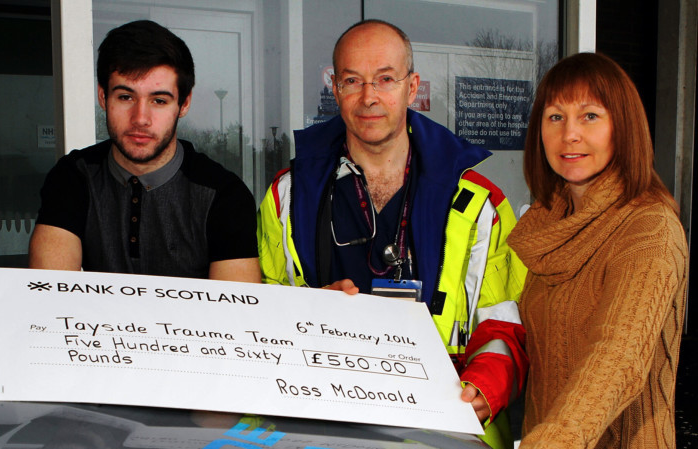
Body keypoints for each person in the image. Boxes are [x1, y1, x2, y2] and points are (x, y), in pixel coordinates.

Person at [257, 19, 528, 449]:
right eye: (352, 81)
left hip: (444, 415)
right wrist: (308, 313)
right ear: (335, 88)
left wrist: (485, 386)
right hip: (324, 413)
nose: (369, 97)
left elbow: (502, 320)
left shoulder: (481, 205)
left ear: (412, 86)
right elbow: (262, 311)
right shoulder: (287, 197)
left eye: (385, 79)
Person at [507, 52, 688, 448]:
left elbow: (618, 356)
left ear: (622, 127)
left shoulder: (648, 227)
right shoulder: (548, 226)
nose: (569, 134)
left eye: (590, 116)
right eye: (555, 116)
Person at [29, 20, 260, 282]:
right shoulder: (73, 177)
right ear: (103, 97)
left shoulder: (224, 195)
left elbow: (234, 318)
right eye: (126, 97)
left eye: (159, 101)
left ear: (184, 104)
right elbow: (50, 299)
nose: (140, 118)